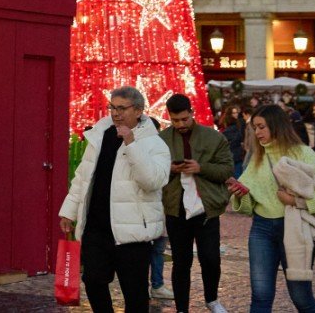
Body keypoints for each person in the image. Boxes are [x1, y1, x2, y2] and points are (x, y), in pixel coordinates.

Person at [60, 86, 170, 313]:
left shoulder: (154, 143)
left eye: (122, 108)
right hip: (96, 227)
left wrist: (132, 144)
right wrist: (69, 210)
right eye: (112, 107)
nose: (116, 113)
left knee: (136, 295)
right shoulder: (100, 136)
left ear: (138, 110)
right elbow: (83, 177)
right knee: (92, 281)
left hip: (132, 233)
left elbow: (152, 181)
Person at [228, 104, 315, 313]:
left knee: (301, 295)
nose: (257, 132)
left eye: (261, 127)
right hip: (261, 229)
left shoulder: (302, 153)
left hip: (295, 229)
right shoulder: (257, 156)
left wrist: (295, 201)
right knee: (260, 296)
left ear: (276, 126)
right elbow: (248, 206)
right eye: (255, 127)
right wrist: (241, 195)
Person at [159, 94, 233, 313]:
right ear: (169, 118)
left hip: (206, 208)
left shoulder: (213, 137)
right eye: (175, 120)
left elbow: (227, 170)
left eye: (184, 119)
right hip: (175, 208)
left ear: (192, 113)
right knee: (181, 262)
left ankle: (212, 299)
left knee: (210, 257)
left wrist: (201, 168)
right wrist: (170, 169)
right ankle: (182, 308)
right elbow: (152, 172)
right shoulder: (162, 139)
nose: (181, 124)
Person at [221, 106, 248, 180]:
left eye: (236, 112)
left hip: (233, 155)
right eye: (234, 113)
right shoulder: (236, 126)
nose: (236, 114)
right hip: (236, 155)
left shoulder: (236, 125)